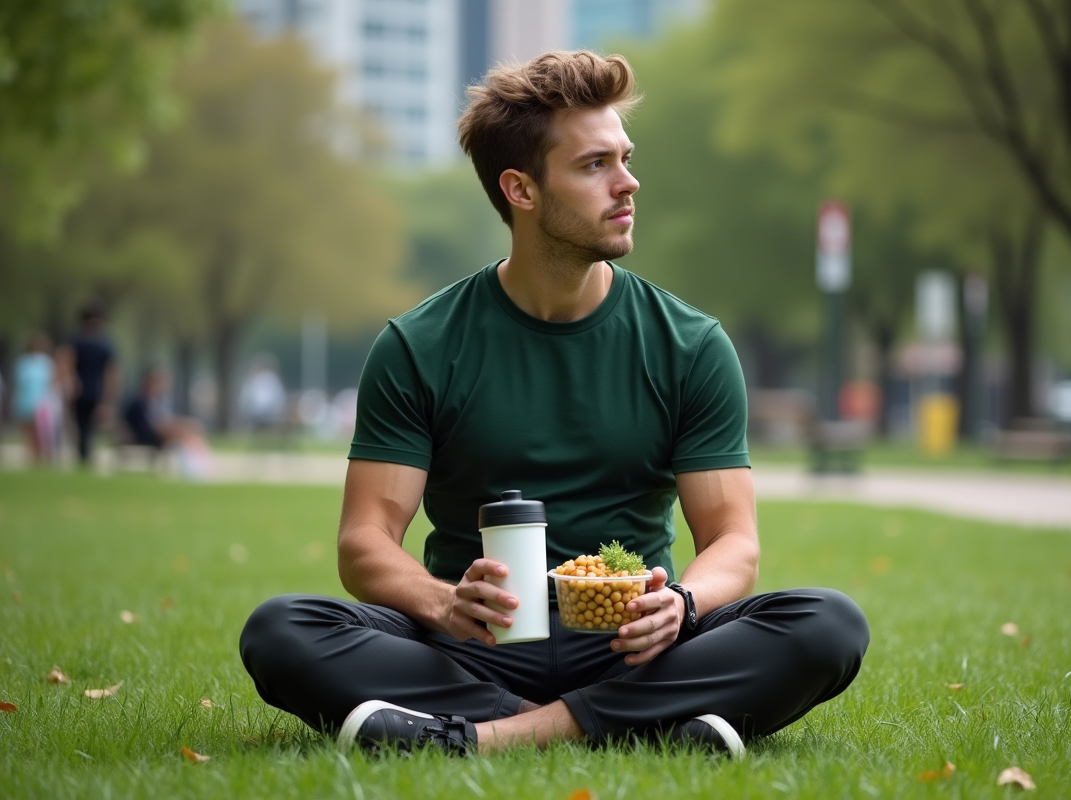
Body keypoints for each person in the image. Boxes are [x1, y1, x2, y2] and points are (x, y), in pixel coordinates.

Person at [240, 51, 869, 758]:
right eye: (594, 166)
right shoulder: (418, 345)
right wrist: (442, 602)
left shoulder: (690, 345)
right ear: (522, 190)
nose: (628, 183)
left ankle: (483, 737)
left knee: (828, 624)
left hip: (635, 644)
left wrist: (681, 605)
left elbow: (733, 542)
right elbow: (365, 542)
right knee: (280, 631)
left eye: (624, 159)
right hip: (473, 645)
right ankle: (647, 726)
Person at [121, 367, 211, 480]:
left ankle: (198, 468)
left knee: (191, 429)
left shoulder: (159, 401)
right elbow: (145, 425)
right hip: (145, 435)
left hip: (158, 432)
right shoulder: (137, 402)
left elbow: (165, 420)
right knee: (184, 433)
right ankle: (195, 471)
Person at [58, 302, 118, 466]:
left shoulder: (78, 340)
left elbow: (110, 373)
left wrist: (108, 399)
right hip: (86, 390)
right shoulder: (103, 343)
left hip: (87, 391)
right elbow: (111, 373)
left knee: (85, 427)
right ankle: (84, 454)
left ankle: (84, 454)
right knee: (83, 427)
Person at [12, 333, 61, 464]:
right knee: (29, 433)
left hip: (42, 403)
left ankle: (42, 458)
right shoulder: (23, 363)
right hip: (26, 401)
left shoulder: (46, 363)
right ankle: (33, 458)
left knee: (41, 433)